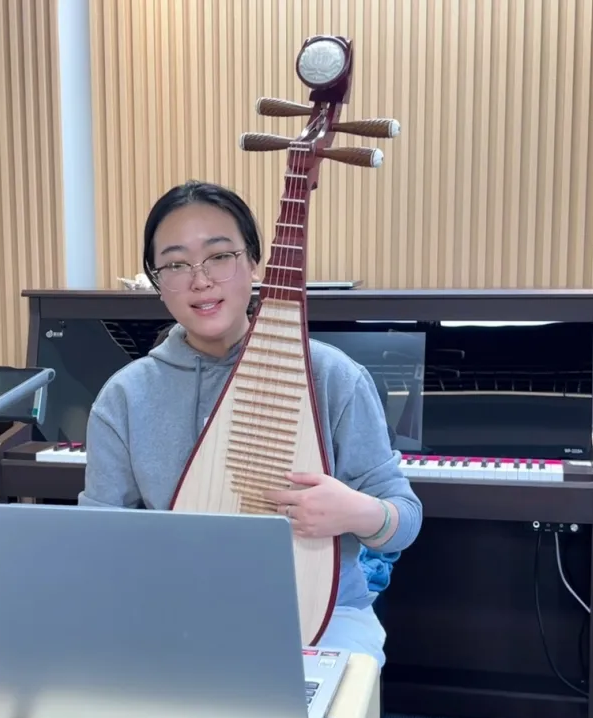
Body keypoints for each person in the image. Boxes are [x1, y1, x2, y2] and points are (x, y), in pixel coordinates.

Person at [78, 180, 423, 668]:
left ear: (255, 263)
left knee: (302, 714)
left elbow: (404, 520)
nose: (200, 280)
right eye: (176, 264)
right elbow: (98, 539)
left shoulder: (331, 376)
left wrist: (357, 513)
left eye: (219, 256)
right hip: (179, 614)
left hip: (326, 616)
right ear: (156, 282)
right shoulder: (125, 396)